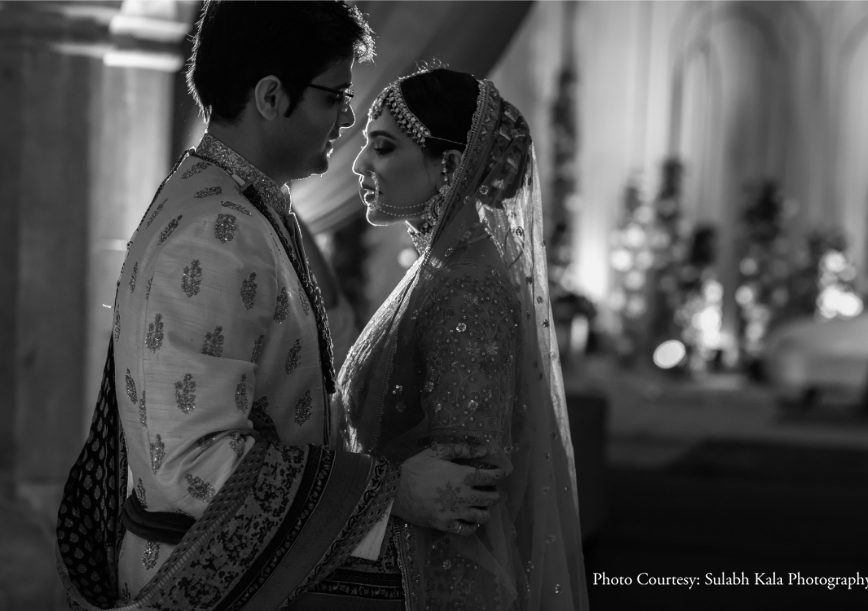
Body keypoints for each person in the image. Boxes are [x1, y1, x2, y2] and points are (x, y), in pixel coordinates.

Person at [55, 4, 503, 610]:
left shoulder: (237, 200)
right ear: (270, 96)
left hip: (241, 558)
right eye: (333, 96)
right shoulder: (215, 232)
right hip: (206, 576)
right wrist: (388, 492)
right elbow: (193, 463)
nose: (347, 118)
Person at [339, 67, 589, 610]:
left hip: (424, 581)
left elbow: (463, 490)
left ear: (449, 166)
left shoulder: (467, 287)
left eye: (383, 147)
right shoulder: (440, 268)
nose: (359, 165)